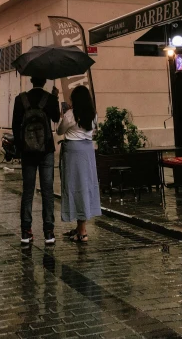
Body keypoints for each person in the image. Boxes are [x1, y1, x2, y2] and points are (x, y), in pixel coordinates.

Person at [12, 77, 60, 245]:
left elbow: (15, 126)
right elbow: (56, 119)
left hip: (27, 152)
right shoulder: (49, 98)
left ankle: (26, 232)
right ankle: (49, 232)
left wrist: (20, 149)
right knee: (47, 191)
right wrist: (55, 98)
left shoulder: (21, 99)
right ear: (44, 80)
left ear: (31, 80)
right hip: (46, 150)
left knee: (28, 191)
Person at [56, 85, 101, 244]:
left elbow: (59, 131)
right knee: (85, 186)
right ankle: (80, 227)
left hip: (73, 151)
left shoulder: (70, 114)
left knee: (74, 187)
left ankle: (82, 231)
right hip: (87, 151)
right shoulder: (93, 115)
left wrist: (63, 115)